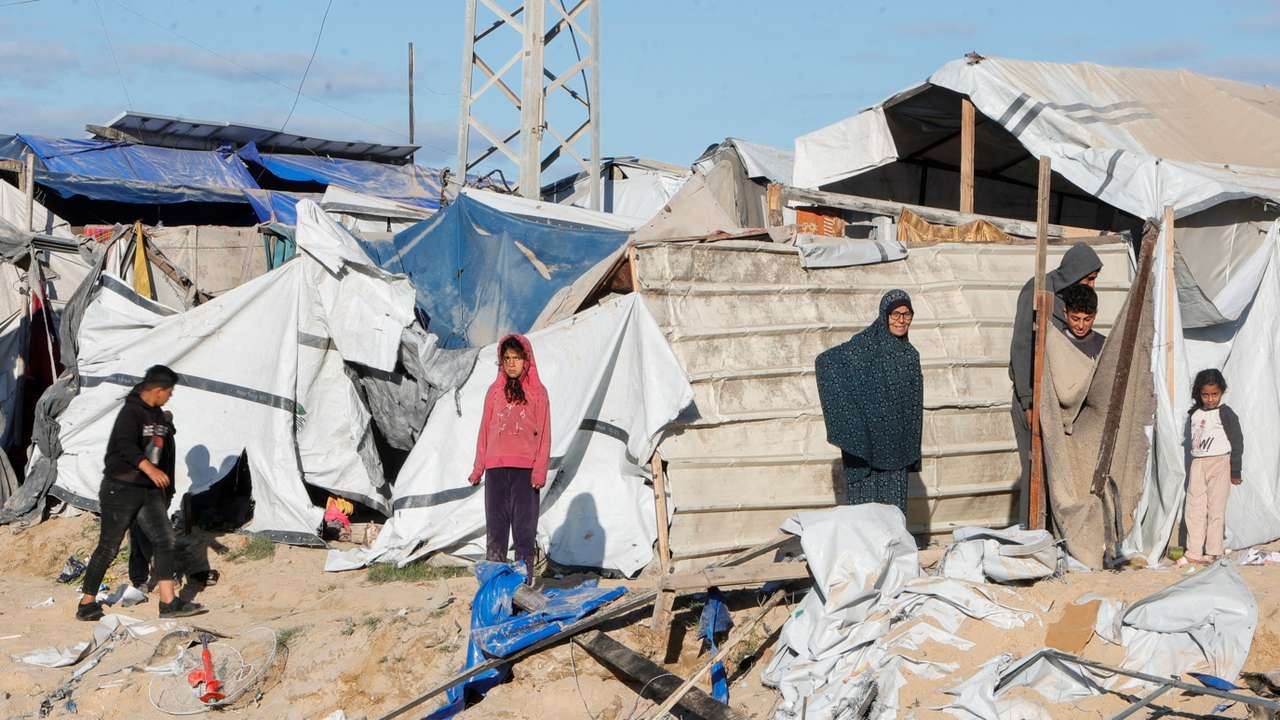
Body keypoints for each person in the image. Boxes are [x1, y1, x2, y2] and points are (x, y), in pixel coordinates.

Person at [76, 365, 205, 621]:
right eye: (168, 392)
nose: (170, 396)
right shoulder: (130, 412)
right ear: (157, 390)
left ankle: (169, 603)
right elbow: (125, 446)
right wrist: (149, 469)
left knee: (165, 540)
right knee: (109, 547)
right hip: (120, 489)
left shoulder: (157, 415)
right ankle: (86, 603)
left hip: (148, 492)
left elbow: (163, 450)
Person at [815, 289, 923, 516]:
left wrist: (911, 448)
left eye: (906, 314)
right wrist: (853, 424)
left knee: (892, 515)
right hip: (865, 449)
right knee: (865, 516)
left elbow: (913, 408)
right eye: (895, 314)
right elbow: (826, 362)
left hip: (896, 450)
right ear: (884, 315)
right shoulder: (864, 346)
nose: (901, 320)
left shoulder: (910, 356)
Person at [1009, 243, 1102, 499]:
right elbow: (1022, 347)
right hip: (1034, 398)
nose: (1092, 285)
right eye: (1089, 278)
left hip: (1062, 405)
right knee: (1035, 478)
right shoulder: (1039, 290)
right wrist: (1028, 401)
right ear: (1076, 272)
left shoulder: (1075, 302)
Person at [468, 335, 551, 583]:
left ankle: (522, 586)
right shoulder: (494, 393)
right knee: (496, 530)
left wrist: (539, 470)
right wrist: (478, 467)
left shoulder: (538, 392)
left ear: (526, 360)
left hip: (525, 472)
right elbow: (484, 430)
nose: (512, 363)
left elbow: (545, 433)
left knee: (524, 532)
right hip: (496, 470)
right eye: (507, 359)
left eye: (516, 358)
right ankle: (495, 587)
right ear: (501, 362)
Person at [1183, 369, 1243, 565]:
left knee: (1216, 509)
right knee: (1194, 507)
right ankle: (1193, 551)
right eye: (1205, 394)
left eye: (1214, 394)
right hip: (1198, 463)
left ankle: (1213, 551)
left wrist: (1235, 471)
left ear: (1221, 392)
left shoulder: (1225, 413)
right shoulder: (1194, 414)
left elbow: (1237, 441)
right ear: (1199, 393)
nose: (1210, 399)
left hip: (1220, 463)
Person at [1046, 284, 1106, 432]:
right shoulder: (1056, 343)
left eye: (1087, 319)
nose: (1081, 325)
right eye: (1075, 318)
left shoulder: (1104, 344)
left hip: (1093, 423)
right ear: (1065, 313)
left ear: (1095, 314)